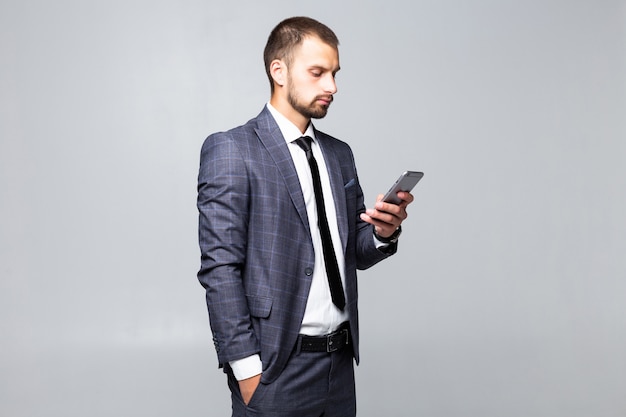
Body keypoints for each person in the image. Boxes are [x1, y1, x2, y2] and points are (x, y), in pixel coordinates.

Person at [197, 16, 414, 417]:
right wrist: (246, 368)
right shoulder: (232, 150)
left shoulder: (339, 154)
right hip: (276, 368)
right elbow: (219, 267)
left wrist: (383, 233)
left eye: (334, 74)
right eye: (317, 72)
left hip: (339, 364)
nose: (331, 86)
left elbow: (351, 252)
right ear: (278, 70)